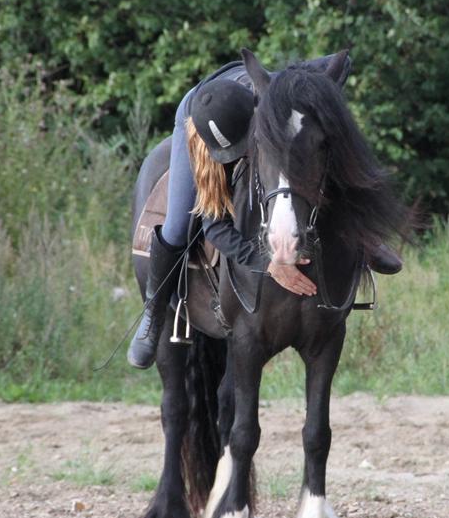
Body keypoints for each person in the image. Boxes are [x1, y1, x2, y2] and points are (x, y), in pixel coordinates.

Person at [129, 57, 401, 370]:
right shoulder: (203, 141)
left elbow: (344, 61)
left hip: (251, 105)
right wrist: (266, 264)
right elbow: (214, 226)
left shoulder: (271, 106)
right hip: (197, 115)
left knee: (319, 145)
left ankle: (366, 235)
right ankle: (153, 314)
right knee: (177, 226)